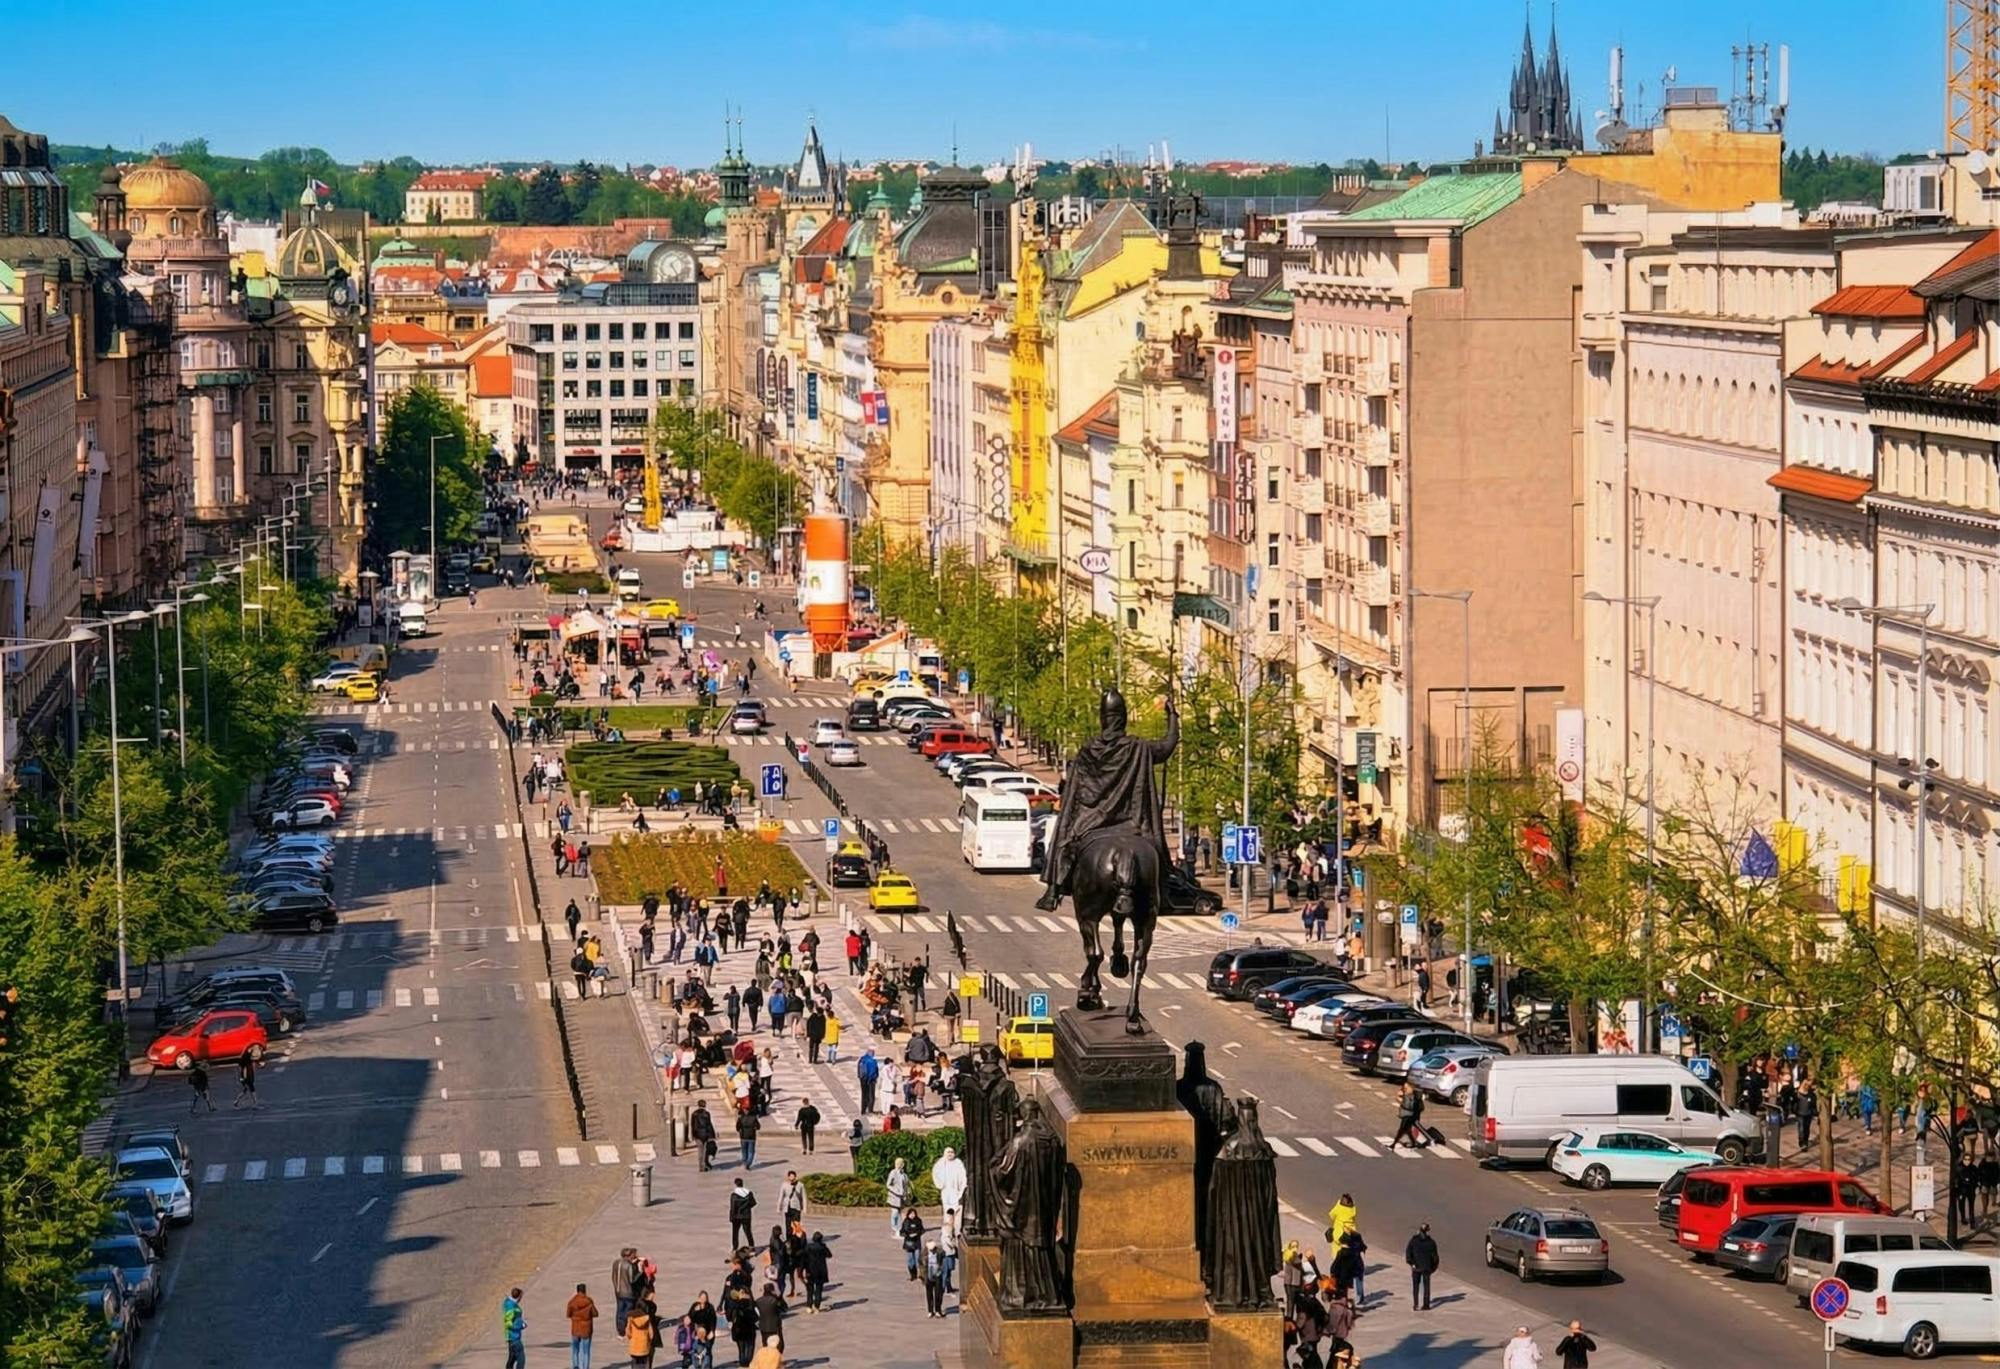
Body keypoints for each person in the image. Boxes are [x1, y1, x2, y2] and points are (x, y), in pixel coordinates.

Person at [1404, 1222, 1439, 1311]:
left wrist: (1411, 1263)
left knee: (1416, 1286)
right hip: (1427, 1267)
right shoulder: (1431, 1242)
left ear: (1419, 1231)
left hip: (1416, 1267)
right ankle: (1426, 1305)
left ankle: (1416, 1304)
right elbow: (1435, 1258)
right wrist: (1433, 1268)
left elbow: (1408, 1253)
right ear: (1427, 1231)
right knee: (1426, 1286)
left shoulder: (1413, 1240)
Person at [567, 1282, 599, 1369]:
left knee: (575, 1350)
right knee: (586, 1351)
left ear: (577, 1291)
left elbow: (568, 1314)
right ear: (585, 1291)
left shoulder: (572, 1302)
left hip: (575, 1329)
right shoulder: (589, 1302)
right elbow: (595, 1313)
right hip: (586, 1330)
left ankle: (576, 1366)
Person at [1390, 1082, 1429, 1149]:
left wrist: (1401, 1102)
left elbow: (1408, 1106)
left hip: (1409, 1116)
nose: (1404, 1089)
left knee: (1402, 1130)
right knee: (1407, 1130)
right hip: (1410, 1116)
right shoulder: (1409, 1095)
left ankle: (1394, 1144)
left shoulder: (1410, 1097)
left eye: (1406, 1088)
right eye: (1404, 1088)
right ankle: (1414, 1142)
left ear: (1410, 1088)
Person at [802, 1231, 831, 1314]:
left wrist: (804, 1269)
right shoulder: (823, 1247)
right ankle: (817, 1307)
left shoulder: (808, 1247)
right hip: (821, 1271)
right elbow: (829, 1255)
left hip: (810, 1271)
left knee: (810, 1290)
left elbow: (804, 1259)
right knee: (818, 1289)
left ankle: (809, 1306)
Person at [614, 1247, 641, 1334]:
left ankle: (620, 1329)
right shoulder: (628, 1265)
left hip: (618, 1291)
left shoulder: (616, 1263)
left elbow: (613, 1276)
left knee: (619, 1311)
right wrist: (639, 1273)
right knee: (628, 1312)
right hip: (628, 1292)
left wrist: (616, 1287)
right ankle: (626, 1328)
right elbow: (632, 1279)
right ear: (628, 1255)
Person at [625, 1297, 658, 1368]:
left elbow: (628, 1331)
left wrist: (630, 1337)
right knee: (644, 1364)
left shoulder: (631, 1318)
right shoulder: (647, 1319)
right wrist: (649, 1340)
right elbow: (651, 1334)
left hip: (634, 1347)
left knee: (635, 1364)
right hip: (644, 1347)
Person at [921, 1239, 948, 1318]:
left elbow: (944, 1255)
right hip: (928, 1274)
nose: (932, 1251)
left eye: (933, 1249)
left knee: (938, 1293)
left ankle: (938, 1310)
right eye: (931, 1249)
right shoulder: (924, 1253)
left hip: (937, 1274)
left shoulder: (939, 1251)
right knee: (929, 1294)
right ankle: (930, 1311)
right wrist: (922, 1276)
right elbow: (921, 1265)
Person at [729, 1177, 757, 1251]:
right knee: (748, 1232)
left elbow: (733, 1207)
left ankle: (735, 1248)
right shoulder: (749, 1193)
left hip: (737, 1217)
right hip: (747, 1216)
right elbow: (754, 1203)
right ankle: (752, 1248)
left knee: (735, 1233)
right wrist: (746, 1208)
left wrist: (731, 1217)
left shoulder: (734, 1195)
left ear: (735, 1184)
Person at [501, 1288, 527, 1369]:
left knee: (512, 1358)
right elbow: (508, 1322)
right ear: (518, 1297)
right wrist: (520, 1326)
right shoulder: (512, 1307)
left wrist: (522, 1323)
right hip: (514, 1337)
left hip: (512, 1337)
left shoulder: (510, 1304)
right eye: (521, 1297)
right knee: (521, 1359)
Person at [886, 1156, 912, 1236]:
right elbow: (888, 1185)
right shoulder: (893, 1172)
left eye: (901, 1163)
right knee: (895, 1213)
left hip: (902, 1197)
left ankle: (903, 1228)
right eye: (898, 1163)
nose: (899, 1164)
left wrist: (907, 1191)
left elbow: (906, 1185)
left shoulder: (904, 1174)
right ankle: (895, 1228)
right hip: (894, 1197)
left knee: (902, 1214)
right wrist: (896, 1191)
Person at [899, 1204, 925, 1280]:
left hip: (917, 1242)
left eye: (914, 1214)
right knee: (910, 1260)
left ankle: (921, 1274)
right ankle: (912, 1275)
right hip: (909, 1243)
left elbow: (922, 1230)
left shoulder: (918, 1220)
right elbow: (902, 1232)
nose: (912, 1215)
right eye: (911, 1214)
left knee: (918, 1259)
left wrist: (917, 1234)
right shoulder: (906, 1221)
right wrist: (908, 1235)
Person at [691, 1101, 717, 1172]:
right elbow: (709, 1124)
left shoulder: (694, 1114)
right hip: (705, 1134)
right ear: (704, 1105)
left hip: (697, 1134)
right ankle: (705, 1163)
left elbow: (692, 1125)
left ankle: (701, 1166)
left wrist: (693, 1135)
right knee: (705, 1151)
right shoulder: (706, 1114)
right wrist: (712, 1135)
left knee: (700, 1150)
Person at [857, 1048, 880, 1114]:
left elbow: (859, 1070)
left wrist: (860, 1077)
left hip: (862, 1079)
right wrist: (874, 1077)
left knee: (864, 1094)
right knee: (871, 1095)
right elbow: (873, 1071)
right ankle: (870, 1110)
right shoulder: (872, 1061)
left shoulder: (862, 1059)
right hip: (870, 1080)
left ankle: (863, 1110)